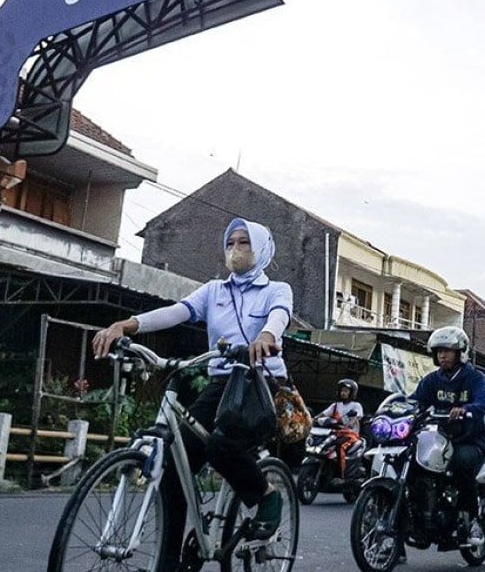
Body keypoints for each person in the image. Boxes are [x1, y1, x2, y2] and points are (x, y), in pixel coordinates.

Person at [91, 217, 291, 569]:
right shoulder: (214, 291)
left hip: (260, 383)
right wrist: (127, 325)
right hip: (220, 383)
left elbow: (279, 316)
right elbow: (177, 311)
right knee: (172, 466)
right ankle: (169, 562)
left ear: (260, 249)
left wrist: (266, 337)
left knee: (220, 444)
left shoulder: (277, 289)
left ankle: (266, 496)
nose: (235, 250)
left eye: (244, 243)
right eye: (230, 243)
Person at [410, 325, 485, 547]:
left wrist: (466, 409)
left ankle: (473, 520)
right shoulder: (430, 380)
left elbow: (484, 403)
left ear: (460, 352)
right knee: (412, 466)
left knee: (460, 465)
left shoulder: (474, 378)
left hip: (468, 440)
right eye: (439, 351)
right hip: (436, 440)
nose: (442, 355)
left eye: (448, 350)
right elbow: (414, 401)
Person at [316, 378, 364, 482]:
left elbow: (358, 417)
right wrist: (313, 419)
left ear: (352, 393)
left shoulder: (356, 405)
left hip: (350, 435)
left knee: (339, 447)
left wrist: (349, 424)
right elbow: (324, 414)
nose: (343, 393)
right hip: (335, 433)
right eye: (342, 391)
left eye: (346, 391)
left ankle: (340, 476)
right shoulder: (335, 405)